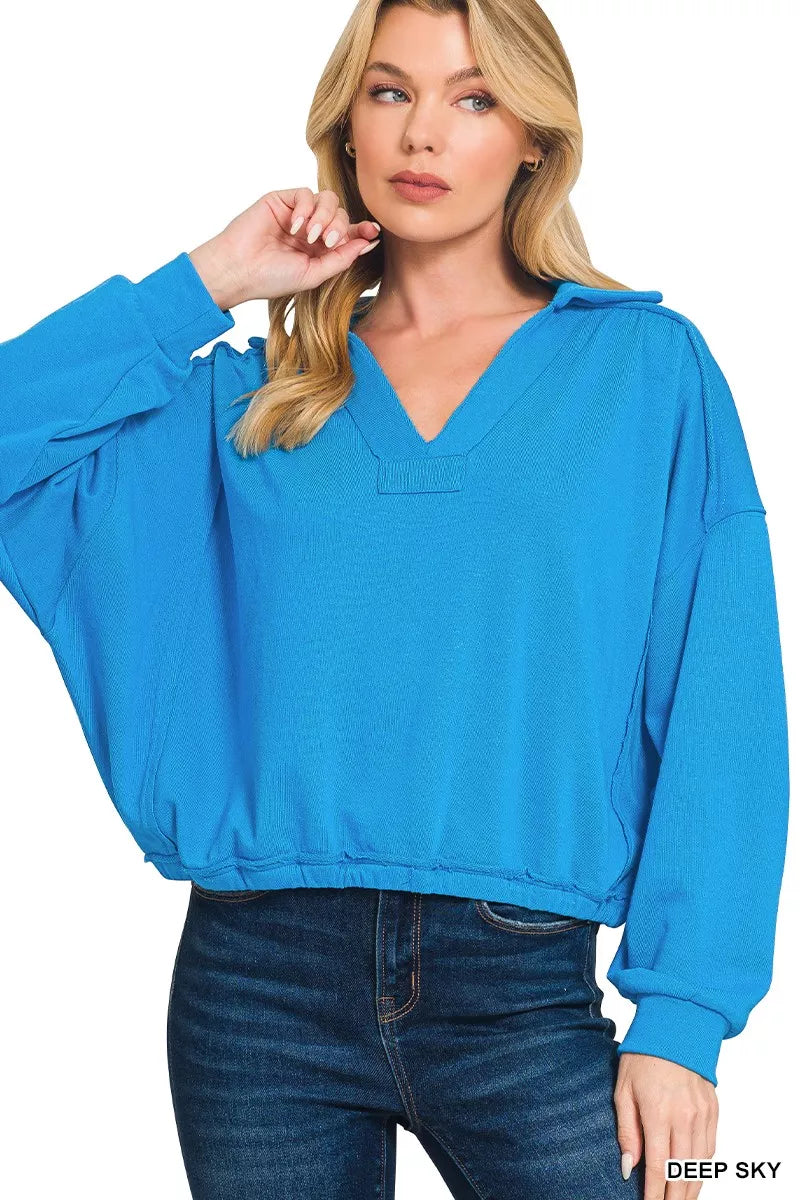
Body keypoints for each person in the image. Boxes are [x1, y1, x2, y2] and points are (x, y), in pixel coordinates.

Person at [0, 2, 789, 1198]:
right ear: (347, 125)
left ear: (532, 139)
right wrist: (207, 281)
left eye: (473, 97)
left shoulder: (642, 371)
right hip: (255, 987)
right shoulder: (252, 400)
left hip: (523, 986)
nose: (422, 132)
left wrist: (682, 1016)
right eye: (389, 91)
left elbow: (721, 697)